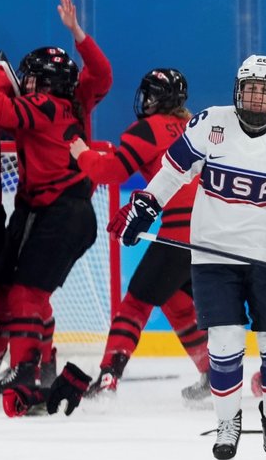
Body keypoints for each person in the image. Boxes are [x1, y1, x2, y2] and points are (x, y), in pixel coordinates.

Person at [109, 55, 266, 460]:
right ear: (238, 90)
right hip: (212, 254)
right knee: (224, 344)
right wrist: (146, 204)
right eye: (251, 88)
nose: (258, 98)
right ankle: (228, 423)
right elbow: (173, 172)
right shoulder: (210, 123)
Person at [0, 0, 112, 417]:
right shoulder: (69, 100)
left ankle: (25, 369)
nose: (27, 82)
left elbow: (2, 103)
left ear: (45, 83)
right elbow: (15, 87)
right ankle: (32, 363)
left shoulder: (45, 106)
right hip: (39, 210)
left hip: (59, 212)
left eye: (33, 77)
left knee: (26, 297)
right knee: (9, 296)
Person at [65, 68, 210, 403]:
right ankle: (214, 375)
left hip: (180, 233)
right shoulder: (199, 127)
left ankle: (107, 377)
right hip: (217, 233)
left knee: (134, 306)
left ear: (157, 99)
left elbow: (109, 171)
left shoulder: (147, 129)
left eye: (148, 94)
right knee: (177, 303)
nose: (143, 100)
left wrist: (81, 152)